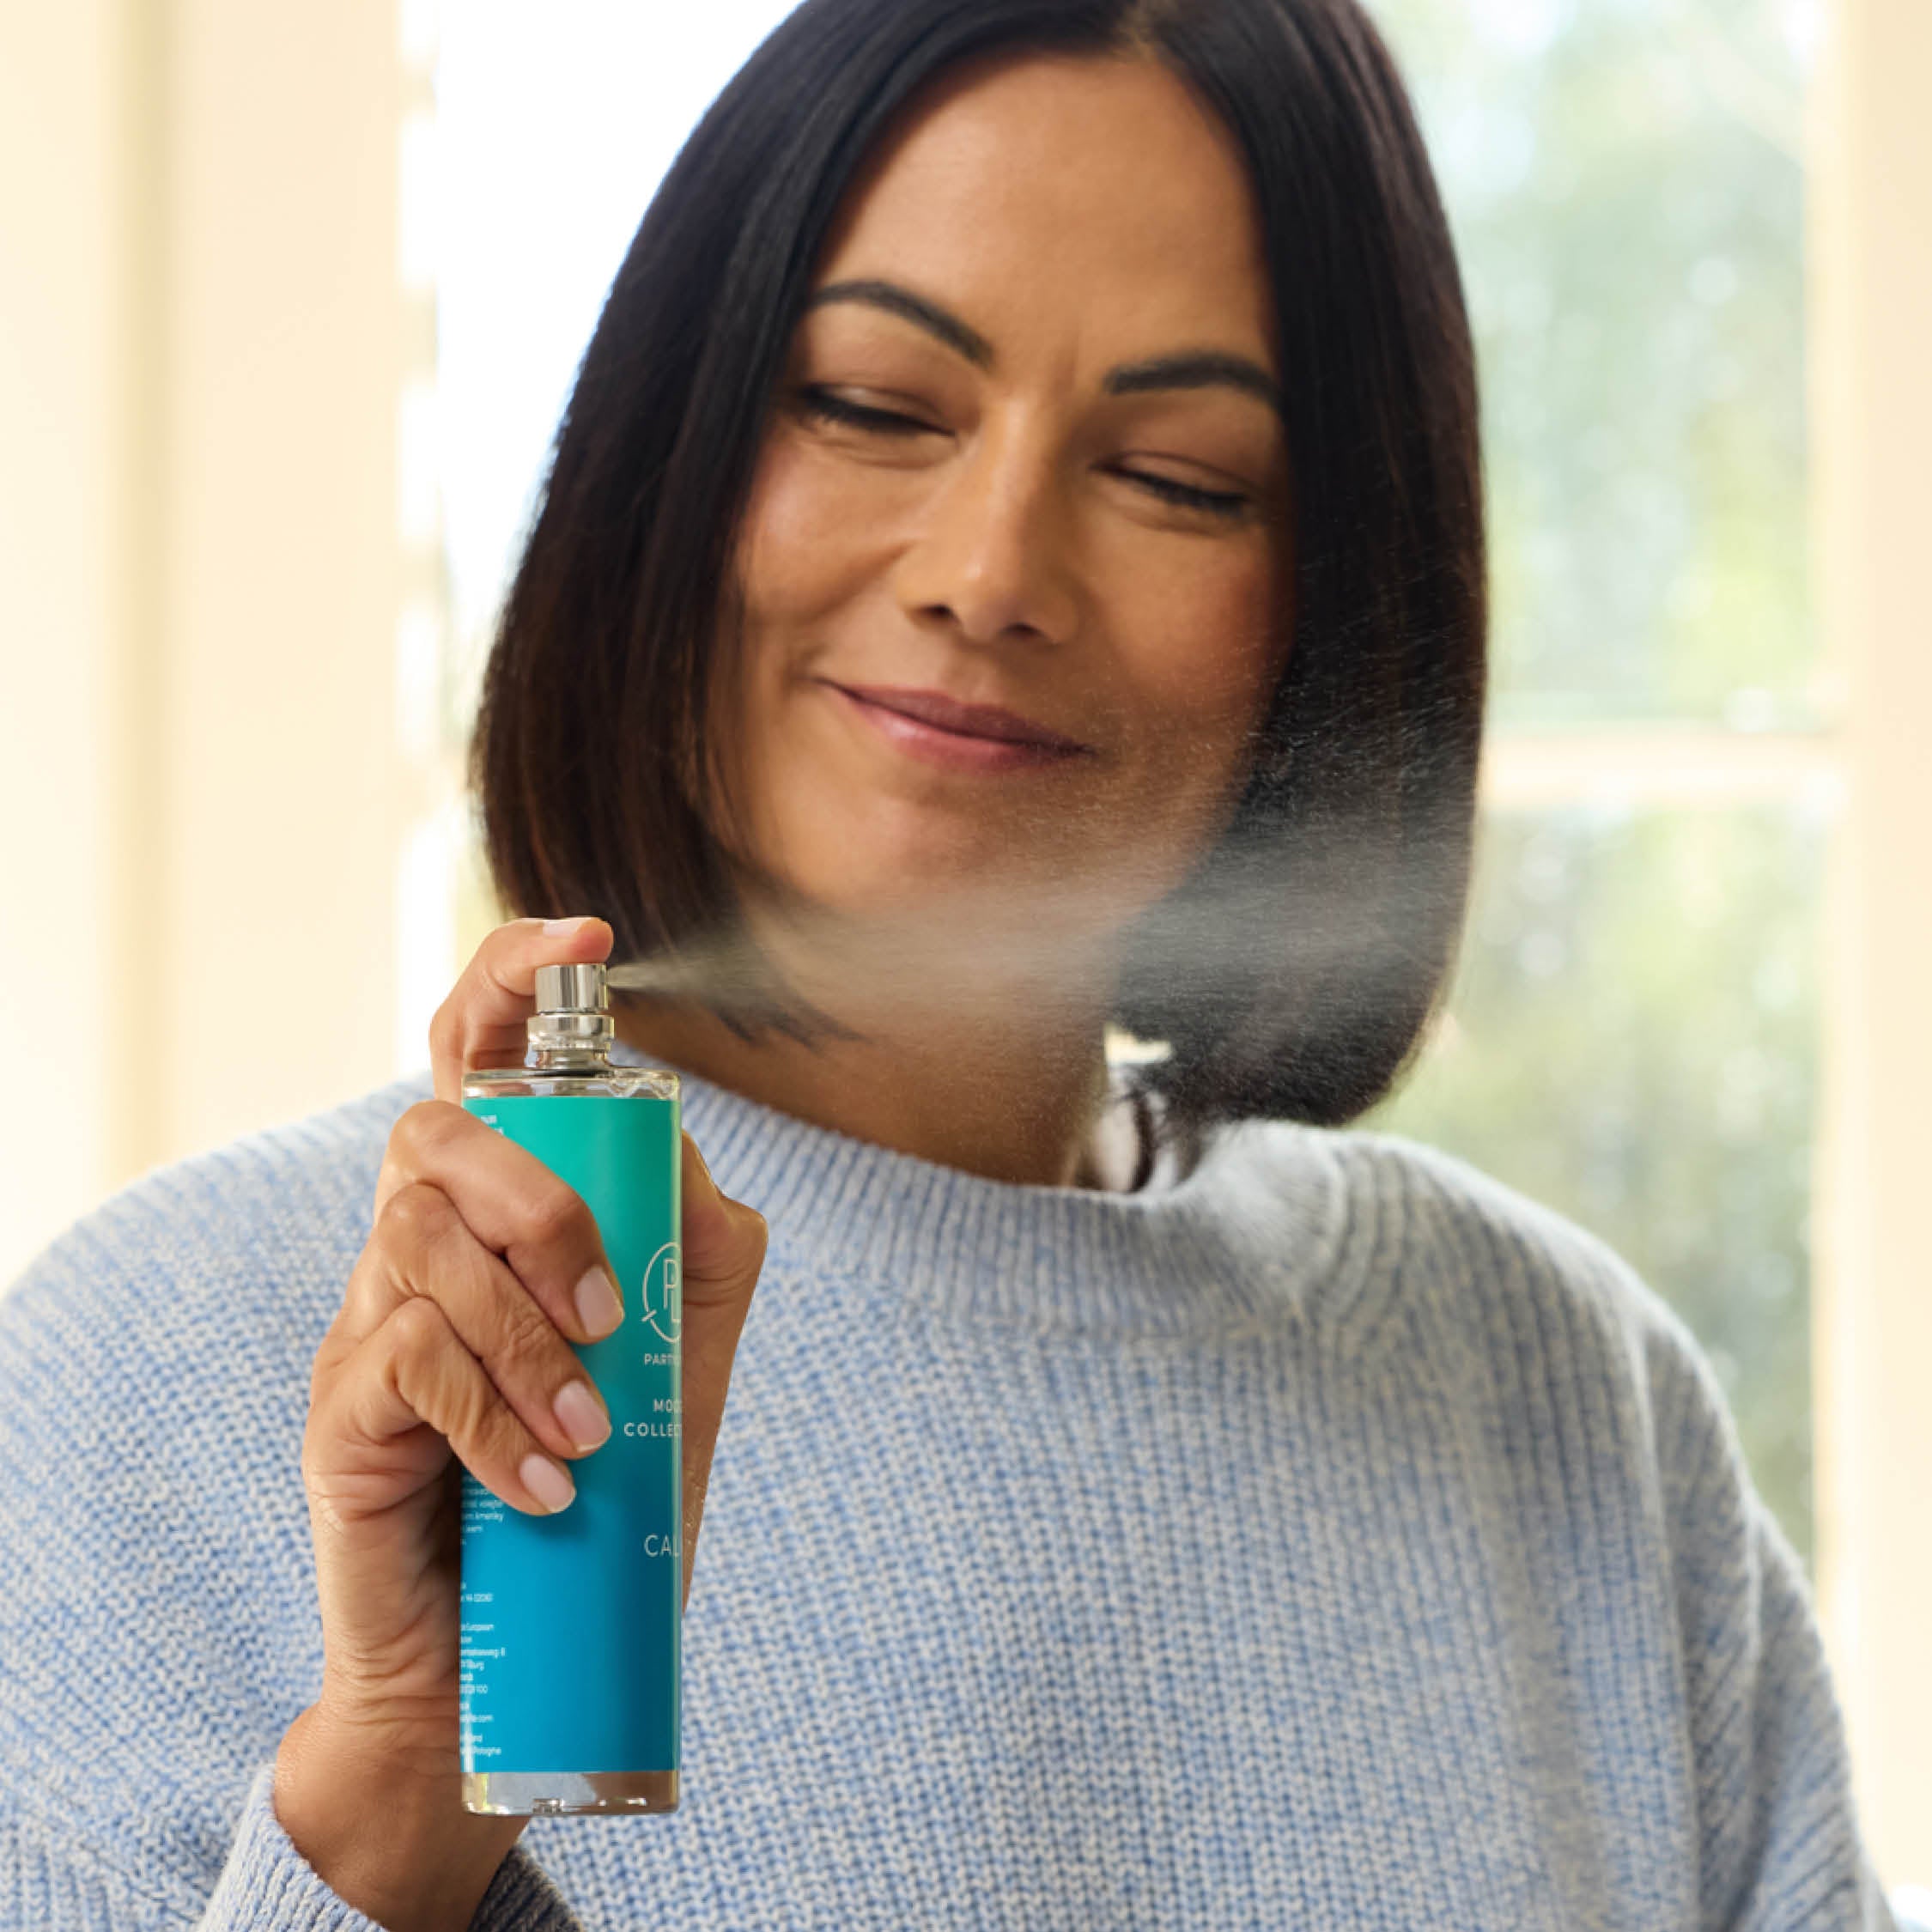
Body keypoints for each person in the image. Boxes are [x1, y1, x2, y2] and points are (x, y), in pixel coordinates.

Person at [0, 0, 1903, 1926]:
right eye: (877, 406)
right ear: (673, 451)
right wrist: (403, 1793)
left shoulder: (1563, 1409)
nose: (991, 570)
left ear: (1334, 602)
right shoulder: (143, 1394)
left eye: (1173, 474)